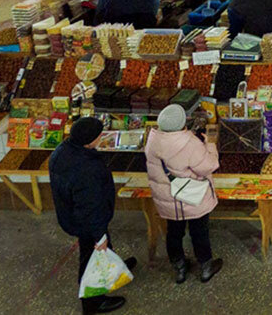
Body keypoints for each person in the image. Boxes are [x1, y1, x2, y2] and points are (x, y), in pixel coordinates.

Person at [49, 117, 136, 315]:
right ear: (89, 141)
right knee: (90, 255)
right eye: (99, 136)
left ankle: (114, 265)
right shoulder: (87, 169)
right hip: (86, 221)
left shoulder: (62, 152)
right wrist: (99, 236)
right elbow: (90, 206)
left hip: (71, 214)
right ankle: (92, 303)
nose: (101, 138)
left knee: (101, 247)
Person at [145, 104, 223, 284]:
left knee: (173, 232)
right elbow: (209, 166)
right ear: (182, 124)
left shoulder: (152, 140)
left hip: (168, 197)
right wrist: (210, 145)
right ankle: (205, 267)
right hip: (192, 197)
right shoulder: (189, 143)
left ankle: (179, 268)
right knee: (199, 232)